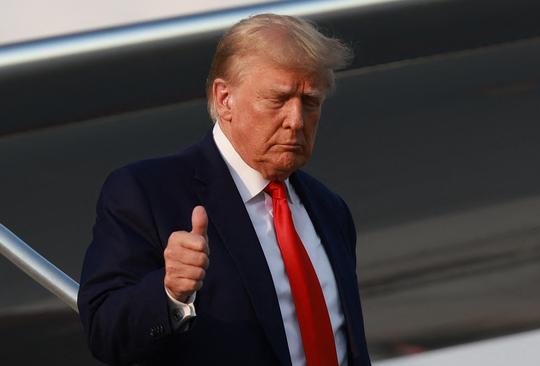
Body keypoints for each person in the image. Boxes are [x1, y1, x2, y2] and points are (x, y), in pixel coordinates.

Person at [77, 13, 371, 366]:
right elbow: (104, 332)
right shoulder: (147, 193)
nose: (296, 120)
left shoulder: (329, 209)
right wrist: (169, 292)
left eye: (310, 102)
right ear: (224, 98)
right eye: (278, 99)